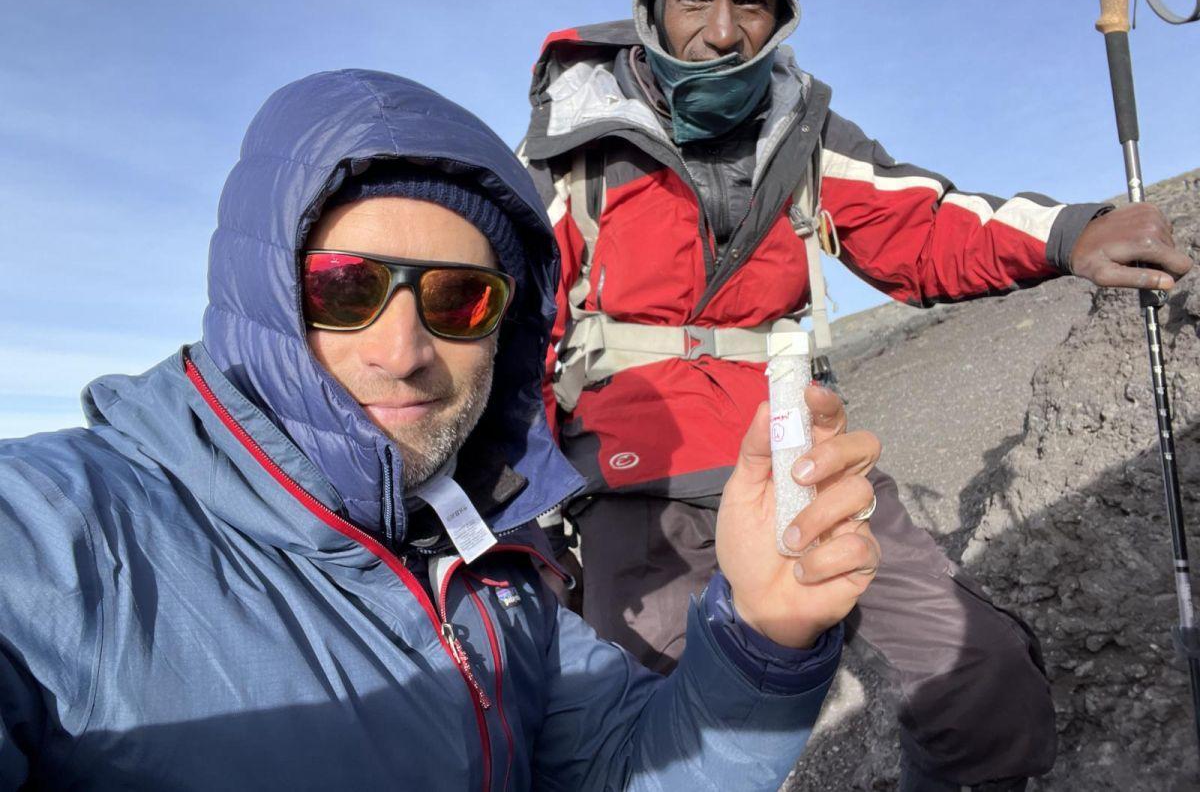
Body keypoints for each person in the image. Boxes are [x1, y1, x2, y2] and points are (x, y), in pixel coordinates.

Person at [0, 68, 885, 790]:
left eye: (460, 298)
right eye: (344, 288)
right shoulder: (53, 538)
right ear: (262, 296)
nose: (403, 351)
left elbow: (625, 771)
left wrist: (763, 631)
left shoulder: (493, 567)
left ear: (509, 325)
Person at [518, 0, 1194, 790]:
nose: (723, 30)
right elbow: (514, 337)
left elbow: (922, 225)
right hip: (636, 492)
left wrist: (1071, 232)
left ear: (781, 14)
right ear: (651, 7)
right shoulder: (571, 151)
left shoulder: (804, 133)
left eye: (751, 1)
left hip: (803, 465)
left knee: (981, 679)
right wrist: (522, 534)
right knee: (662, 748)